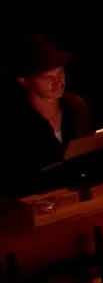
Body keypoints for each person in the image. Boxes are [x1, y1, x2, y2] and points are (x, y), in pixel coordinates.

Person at [0, 32, 93, 197]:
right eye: (47, 77)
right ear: (24, 80)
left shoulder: (76, 108)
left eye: (60, 73)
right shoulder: (15, 124)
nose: (58, 82)